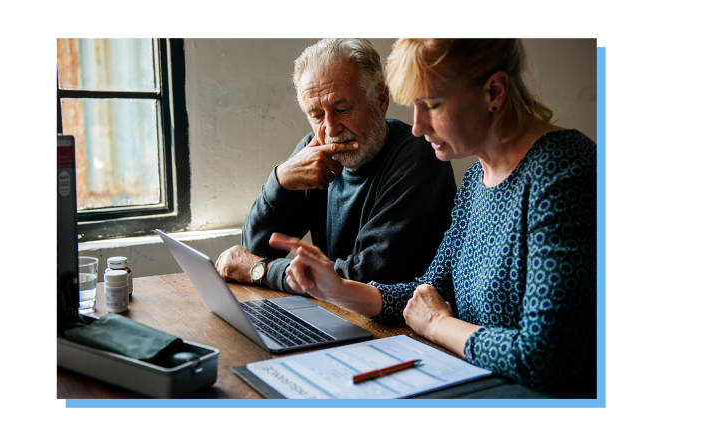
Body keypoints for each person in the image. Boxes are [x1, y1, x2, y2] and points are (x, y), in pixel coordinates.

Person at [270, 39, 596, 398]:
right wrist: (338, 289)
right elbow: (431, 289)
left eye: (433, 105)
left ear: (494, 92)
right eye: (414, 106)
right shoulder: (476, 178)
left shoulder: (564, 171)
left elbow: (550, 358)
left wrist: (440, 325)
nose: (417, 127)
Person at [215, 38, 457, 296]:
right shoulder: (314, 151)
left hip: (401, 326)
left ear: (381, 99)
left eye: (342, 109)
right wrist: (280, 180)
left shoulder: (419, 157)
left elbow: (368, 278)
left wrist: (262, 271)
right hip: (338, 312)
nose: (330, 129)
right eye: (317, 115)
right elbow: (254, 250)